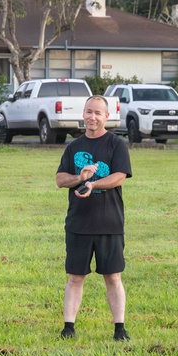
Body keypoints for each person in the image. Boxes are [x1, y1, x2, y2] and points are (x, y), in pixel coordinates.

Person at [55, 96, 133, 341]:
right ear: (83, 113)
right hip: (78, 223)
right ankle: (68, 328)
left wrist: (93, 183)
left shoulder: (116, 144)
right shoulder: (73, 147)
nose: (92, 117)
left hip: (109, 223)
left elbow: (119, 177)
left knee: (113, 277)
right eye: (89, 112)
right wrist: (80, 177)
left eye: (98, 113)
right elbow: (60, 180)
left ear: (106, 117)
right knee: (75, 277)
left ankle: (119, 329)